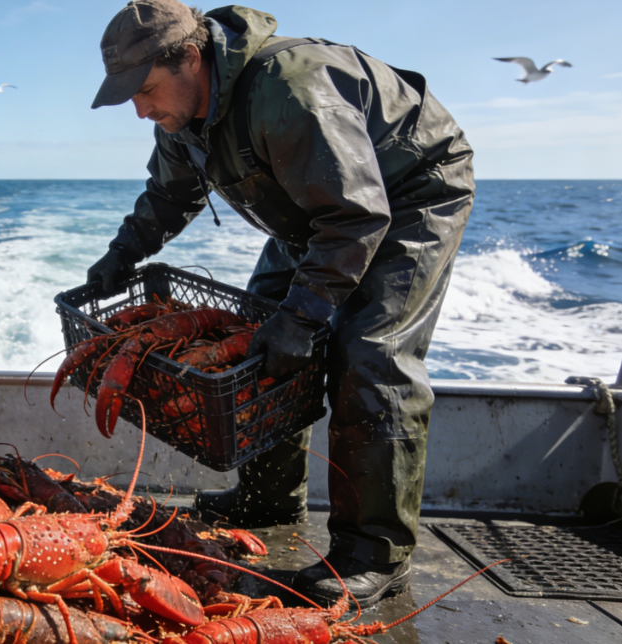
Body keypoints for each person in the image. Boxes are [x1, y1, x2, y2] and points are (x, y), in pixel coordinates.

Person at [86, 0, 474, 608]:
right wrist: (121, 254)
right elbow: (169, 194)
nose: (141, 108)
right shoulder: (182, 117)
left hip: (406, 195)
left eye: (147, 89)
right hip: (317, 212)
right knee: (257, 328)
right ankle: (270, 496)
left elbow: (356, 216)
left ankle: (375, 553)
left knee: (368, 352)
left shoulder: (290, 88)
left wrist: (304, 315)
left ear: (190, 57)